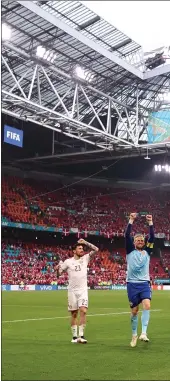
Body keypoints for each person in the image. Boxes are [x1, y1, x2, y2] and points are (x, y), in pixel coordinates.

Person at [56, 239, 99, 344]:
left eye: (82, 248)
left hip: (83, 290)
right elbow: (59, 274)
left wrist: (85, 243)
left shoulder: (85, 258)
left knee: (83, 311)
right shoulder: (68, 262)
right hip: (72, 291)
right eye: (79, 248)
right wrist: (57, 269)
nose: (82, 250)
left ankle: (81, 336)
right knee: (74, 314)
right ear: (74, 251)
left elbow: (96, 249)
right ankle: (74, 337)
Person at [125, 213, 154, 347]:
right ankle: (134, 334)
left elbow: (152, 238)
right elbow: (126, 235)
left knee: (147, 305)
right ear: (134, 242)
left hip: (144, 283)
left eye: (142, 240)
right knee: (134, 311)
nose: (140, 242)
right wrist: (131, 220)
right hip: (132, 284)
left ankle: (144, 333)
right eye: (138, 240)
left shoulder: (148, 251)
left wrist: (150, 223)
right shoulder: (130, 250)